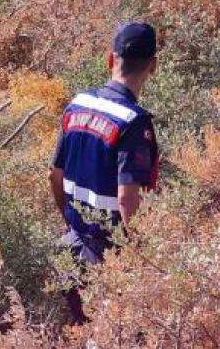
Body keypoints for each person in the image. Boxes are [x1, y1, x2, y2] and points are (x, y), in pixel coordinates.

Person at [49, 21, 161, 324]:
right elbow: (127, 199)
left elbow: (55, 175)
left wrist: (71, 223)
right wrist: (143, 255)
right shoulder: (133, 122)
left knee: (85, 331)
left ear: (110, 59)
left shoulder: (77, 105)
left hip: (71, 248)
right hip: (109, 259)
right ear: (153, 66)